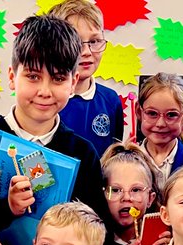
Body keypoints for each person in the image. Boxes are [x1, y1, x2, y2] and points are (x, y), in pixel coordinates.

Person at [0, 14, 107, 245]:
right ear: (11, 77)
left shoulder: (81, 153)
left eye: (58, 78)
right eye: (33, 76)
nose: (44, 91)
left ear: (73, 82)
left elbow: (96, 230)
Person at [48, 0, 125, 158]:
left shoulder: (111, 101)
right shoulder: (43, 99)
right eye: (75, 42)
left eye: (95, 41)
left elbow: (112, 158)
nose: (86, 52)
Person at [99, 142, 168, 245]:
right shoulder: (97, 244)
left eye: (136, 190)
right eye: (116, 190)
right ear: (103, 196)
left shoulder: (165, 236)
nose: (126, 198)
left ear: (150, 198)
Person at [137, 73, 183, 178]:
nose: (160, 124)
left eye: (171, 115)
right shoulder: (125, 162)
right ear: (139, 112)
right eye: (152, 113)